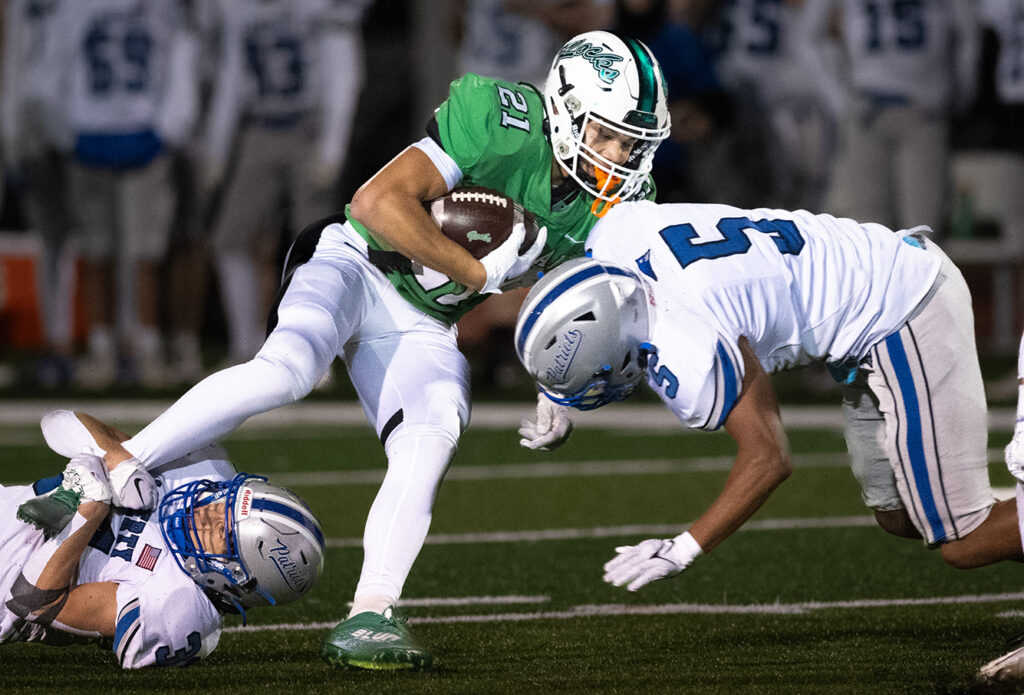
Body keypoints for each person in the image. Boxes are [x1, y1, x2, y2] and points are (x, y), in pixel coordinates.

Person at [69, 30, 670, 671]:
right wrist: (479, 275)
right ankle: (104, 471)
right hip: (356, 262)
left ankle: (370, 614)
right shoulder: (503, 122)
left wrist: (558, 385)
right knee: (288, 370)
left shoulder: (624, 203)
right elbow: (376, 202)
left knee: (435, 430)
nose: (620, 156)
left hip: (423, 321)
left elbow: (583, 302)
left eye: (633, 141)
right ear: (562, 107)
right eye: (606, 135)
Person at [513, 200, 1024, 690]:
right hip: (866, 294)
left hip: (900, 307)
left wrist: (683, 549)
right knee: (900, 514)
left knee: (964, 538)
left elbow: (769, 457)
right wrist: (555, 390)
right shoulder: (615, 238)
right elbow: (585, 302)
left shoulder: (687, 343)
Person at [1, 410, 325, 668]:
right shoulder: (203, 473)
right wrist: (115, 457)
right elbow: (62, 420)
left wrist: (90, 510)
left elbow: (31, 601)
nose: (206, 512)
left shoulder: (177, 606)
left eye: (221, 531)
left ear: (235, 577)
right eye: (225, 501)